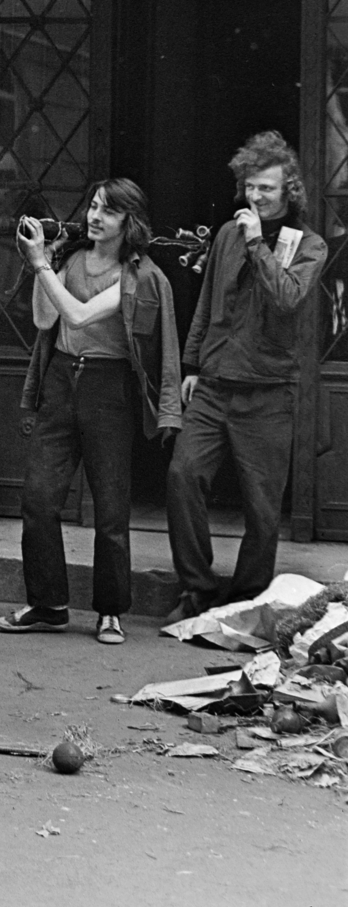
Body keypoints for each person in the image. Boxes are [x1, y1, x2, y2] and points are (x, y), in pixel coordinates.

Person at [0, 180, 182, 645]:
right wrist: (46, 267)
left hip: (107, 387)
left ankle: (111, 611)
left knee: (112, 507)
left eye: (109, 211)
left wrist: (40, 263)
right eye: (95, 206)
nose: (96, 216)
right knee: (37, 499)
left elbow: (78, 315)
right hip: (60, 379)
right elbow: (46, 320)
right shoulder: (72, 259)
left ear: (128, 222)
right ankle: (48, 605)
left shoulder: (136, 276)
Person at [165, 132, 326, 620]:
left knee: (262, 505)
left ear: (289, 191)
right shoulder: (226, 235)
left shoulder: (310, 246)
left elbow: (287, 299)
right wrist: (193, 366)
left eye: (267, 190)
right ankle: (196, 589)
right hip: (215, 384)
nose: (255, 197)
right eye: (250, 187)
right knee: (182, 475)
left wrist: (258, 242)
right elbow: (205, 306)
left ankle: (247, 599)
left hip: (269, 390)